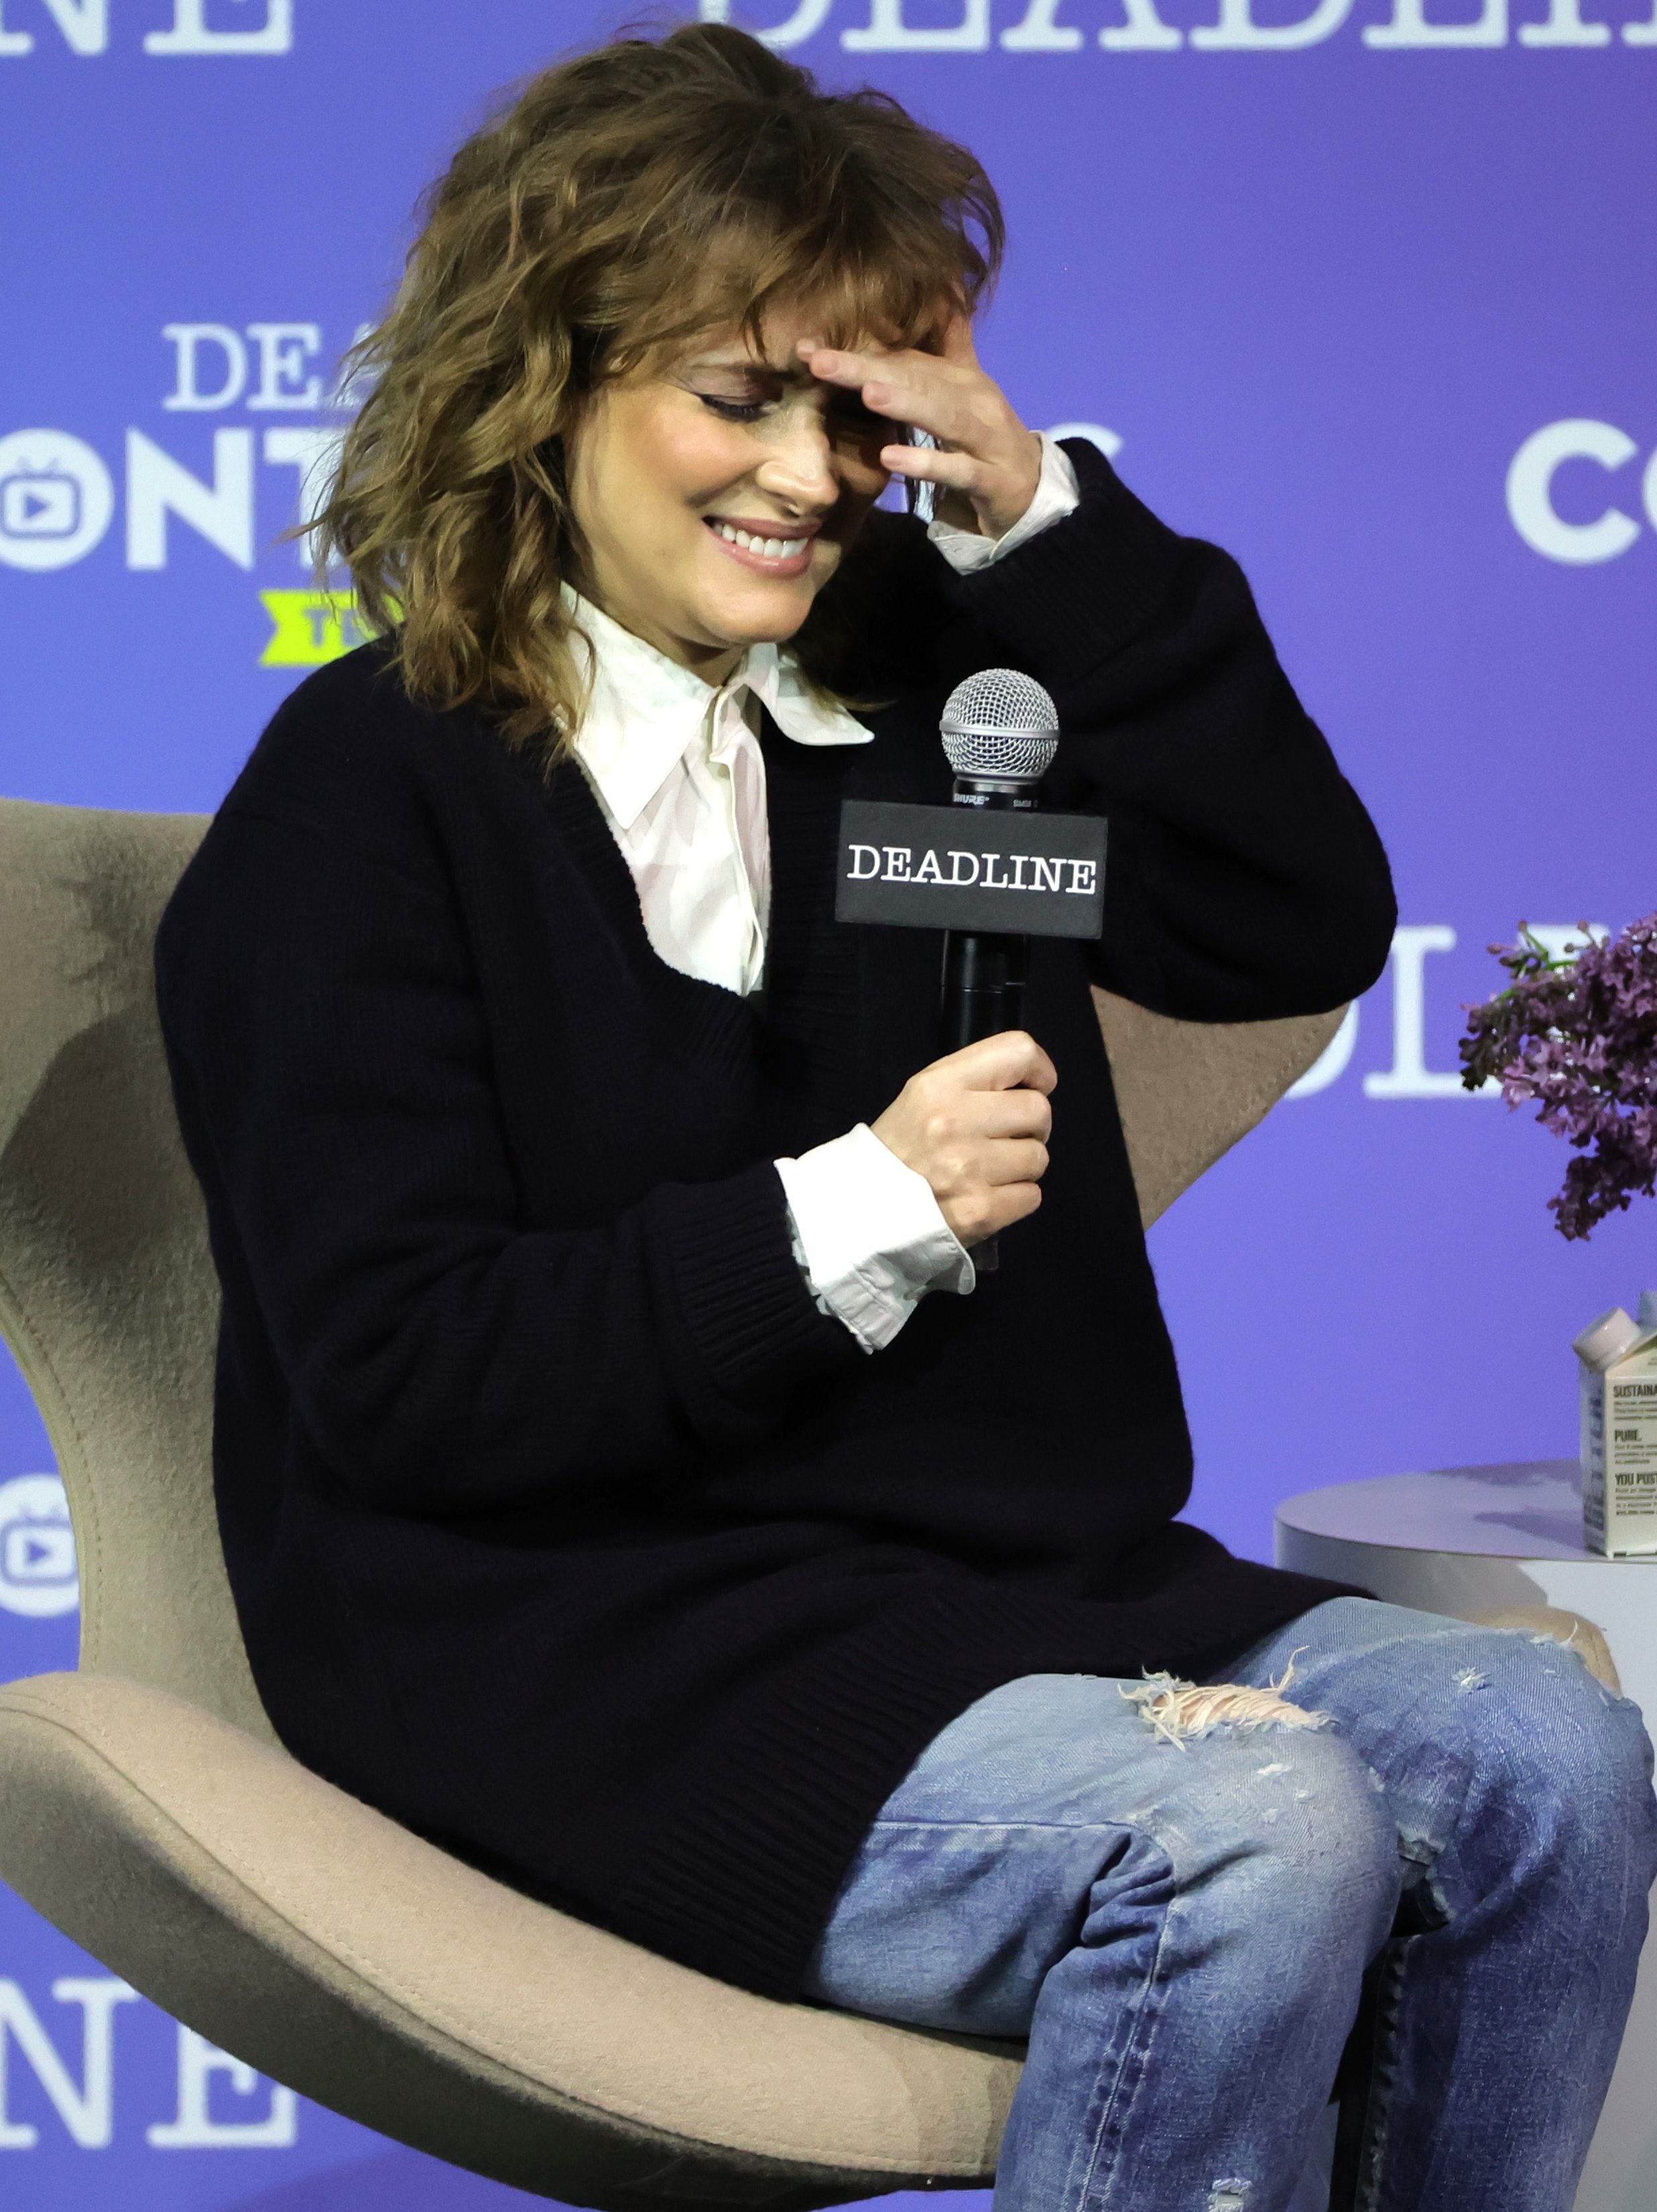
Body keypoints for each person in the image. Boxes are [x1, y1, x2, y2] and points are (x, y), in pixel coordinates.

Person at [154, 24, 1655, 2212]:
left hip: (998, 1594)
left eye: (846, 405)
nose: (804, 469)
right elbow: (402, 1374)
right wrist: (852, 1211)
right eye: (731, 395)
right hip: (578, 1644)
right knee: (1254, 1823)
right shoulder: (370, 800)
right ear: (542, 386)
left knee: (1547, 1744)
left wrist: (1040, 518)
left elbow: (1288, 909)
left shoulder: (930, 737)